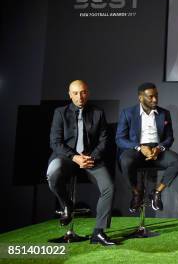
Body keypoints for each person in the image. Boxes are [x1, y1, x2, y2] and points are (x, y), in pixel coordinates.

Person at [47, 80, 115, 246]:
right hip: (66, 158)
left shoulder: (98, 112)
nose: (80, 97)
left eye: (83, 92)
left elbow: (104, 140)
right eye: (75, 93)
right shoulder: (60, 112)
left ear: (88, 93)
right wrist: (74, 157)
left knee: (109, 188)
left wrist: (91, 157)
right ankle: (67, 206)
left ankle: (98, 232)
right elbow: (55, 142)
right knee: (52, 174)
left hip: (92, 159)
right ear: (69, 94)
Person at [116, 82, 178, 213]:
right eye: (150, 96)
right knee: (124, 160)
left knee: (177, 160)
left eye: (156, 96)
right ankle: (136, 193)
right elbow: (119, 139)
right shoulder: (128, 113)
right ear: (140, 98)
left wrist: (159, 148)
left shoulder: (164, 113)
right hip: (136, 149)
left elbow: (169, 138)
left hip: (157, 150)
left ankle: (157, 192)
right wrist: (139, 147)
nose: (155, 99)